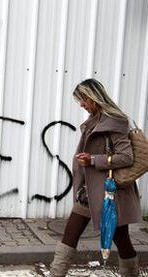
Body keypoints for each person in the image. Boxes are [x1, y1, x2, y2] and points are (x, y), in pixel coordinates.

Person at [50, 79, 142, 276]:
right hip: (89, 194)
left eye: (83, 100)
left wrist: (93, 160)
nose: (81, 105)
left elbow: (126, 157)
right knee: (70, 235)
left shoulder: (116, 121)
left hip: (110, 196)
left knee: (122, 241)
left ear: (93, 97)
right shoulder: (95, 120)